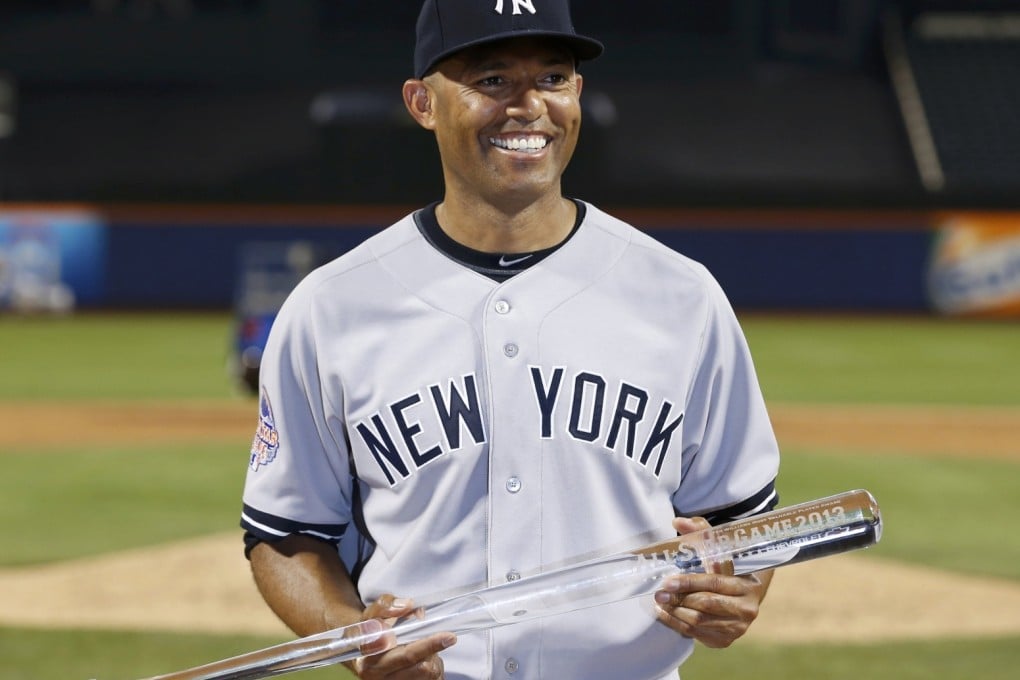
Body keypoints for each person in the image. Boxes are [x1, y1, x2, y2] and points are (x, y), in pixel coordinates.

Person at [240, 1, 781, 678]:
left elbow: (739, 520)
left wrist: (735, 592)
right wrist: (351, 635)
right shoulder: (332, 307)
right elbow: (286, 534)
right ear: (422, 103)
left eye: (553, 78)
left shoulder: (681, 295)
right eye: (492, 80)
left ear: (578, 94)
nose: (528, 106)